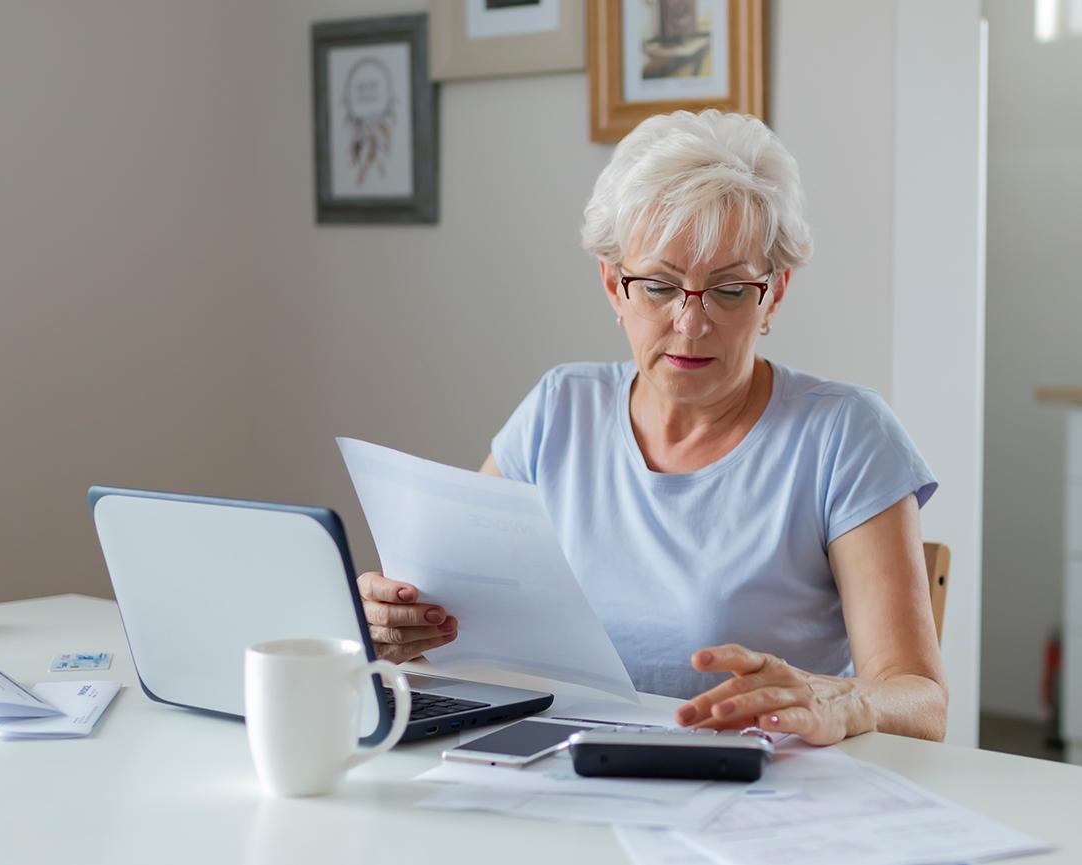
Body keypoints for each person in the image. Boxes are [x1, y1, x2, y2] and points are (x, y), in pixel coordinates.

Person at [357, 109, 945, 744]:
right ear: (614, 285)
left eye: (728, 291)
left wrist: (848, 701)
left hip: (758, 791)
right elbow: (452, 611)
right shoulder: (559, 409)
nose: (691, 325)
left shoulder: (846, 435)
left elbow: (921, 700)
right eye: (660, 286)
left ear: (773, 294)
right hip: (567, 771)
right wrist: (397, 624)